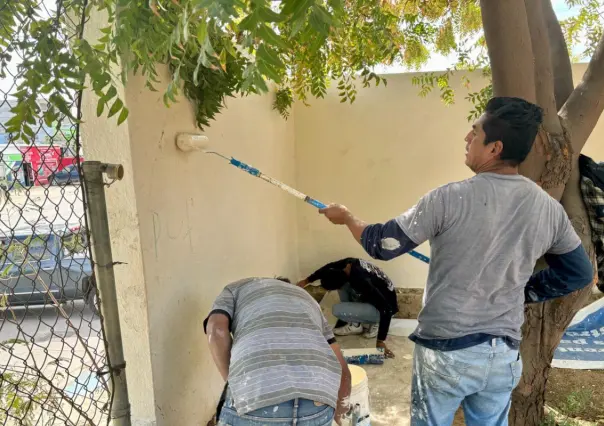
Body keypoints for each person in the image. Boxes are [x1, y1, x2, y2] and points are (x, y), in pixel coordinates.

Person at [317, 97, 594, 426]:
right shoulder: (546, 208)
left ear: (494, 148)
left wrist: (347, 217)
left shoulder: (448, 198)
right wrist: (525, 292)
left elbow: (382, 244)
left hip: (445, 351)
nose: (467, 138)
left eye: (474, 133)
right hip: (502, 354)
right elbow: (579, 273)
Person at [204, 276, 352, 426]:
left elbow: (216, 330)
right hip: (318, 403)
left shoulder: (236, 288)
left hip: (256, 399)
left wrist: (236, 385)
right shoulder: (308, 299)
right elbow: (343, 370)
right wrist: (339, 415)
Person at [297, 257, 398, 358]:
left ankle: (375, 323)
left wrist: (380, 341)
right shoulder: (349, 263)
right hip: (379, 297)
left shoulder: (363, 282)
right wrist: (307, 280)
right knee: (347, 287)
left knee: (337, 310)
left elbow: (387, 309)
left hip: (385, 309)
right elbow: (328, 267)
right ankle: (356, 325)